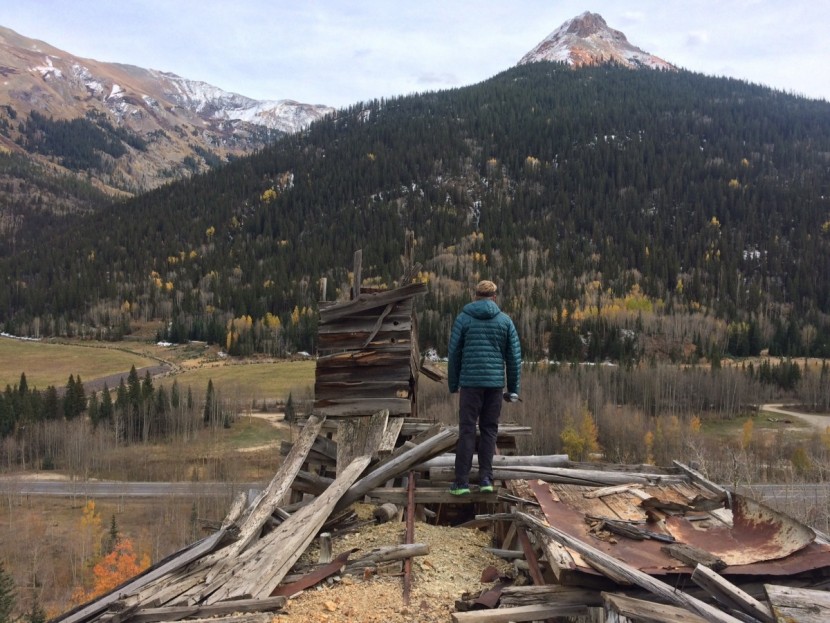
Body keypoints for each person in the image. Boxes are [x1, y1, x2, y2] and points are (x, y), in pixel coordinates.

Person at [447, 280, 521, 495]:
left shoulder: (463, 319)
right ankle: (486, 480)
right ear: (494, 297)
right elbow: (514, 358)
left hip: (470, 385)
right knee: (489, 431)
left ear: (475, 296)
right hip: (495, 385)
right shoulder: (505, 321)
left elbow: (454, 355)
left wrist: (454, 384)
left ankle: (461, 483)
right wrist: (513, 389)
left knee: (467, 430)